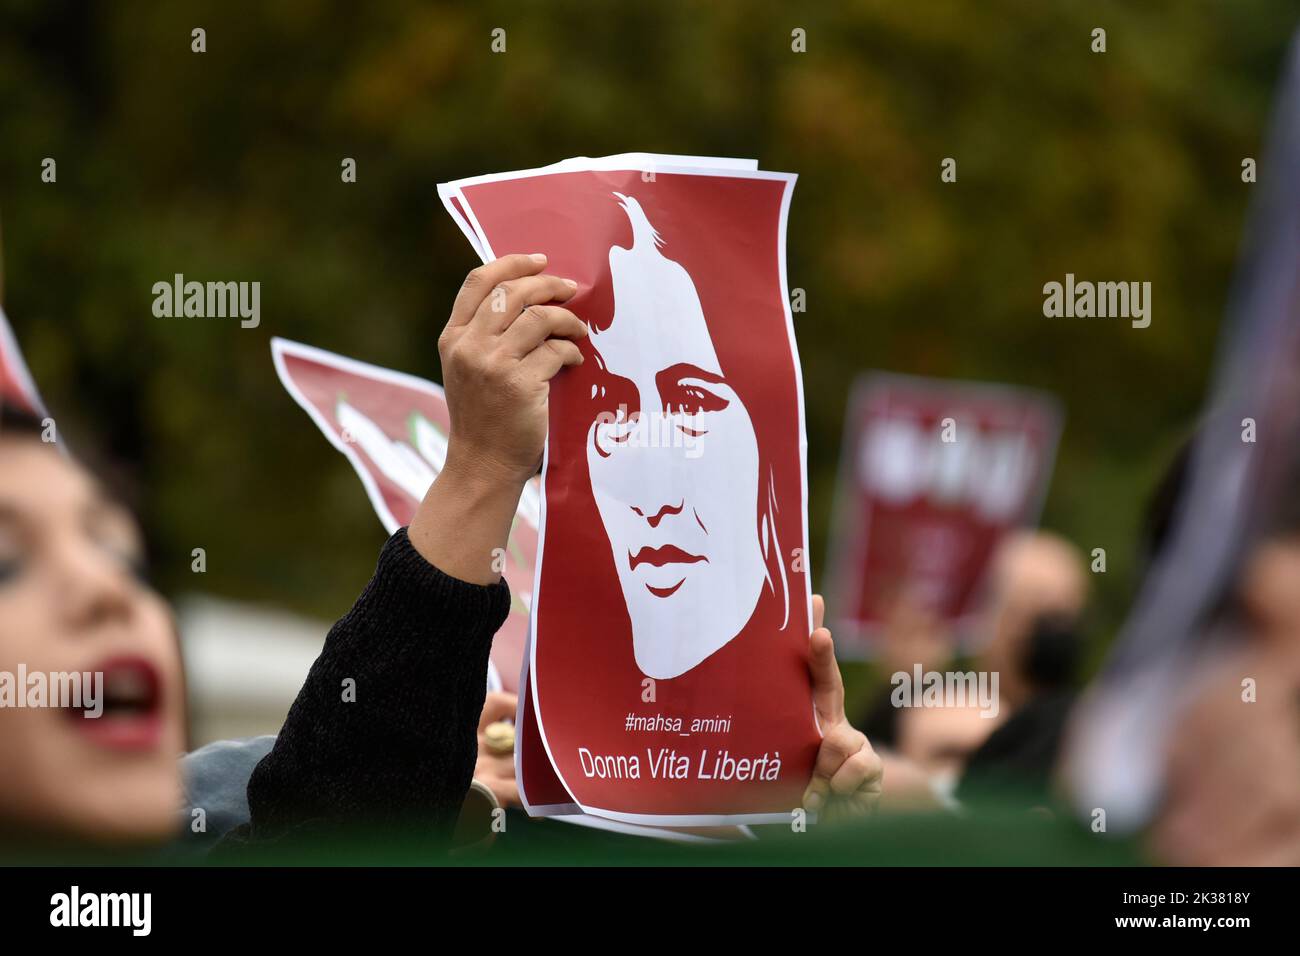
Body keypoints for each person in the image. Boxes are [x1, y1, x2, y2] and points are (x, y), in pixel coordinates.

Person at [0, 252, 884, 852]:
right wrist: (482, 468)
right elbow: (328, 835)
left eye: (117, 550)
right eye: (8, 562)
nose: (106, 592)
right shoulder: (234, 805)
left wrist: (789, 837)